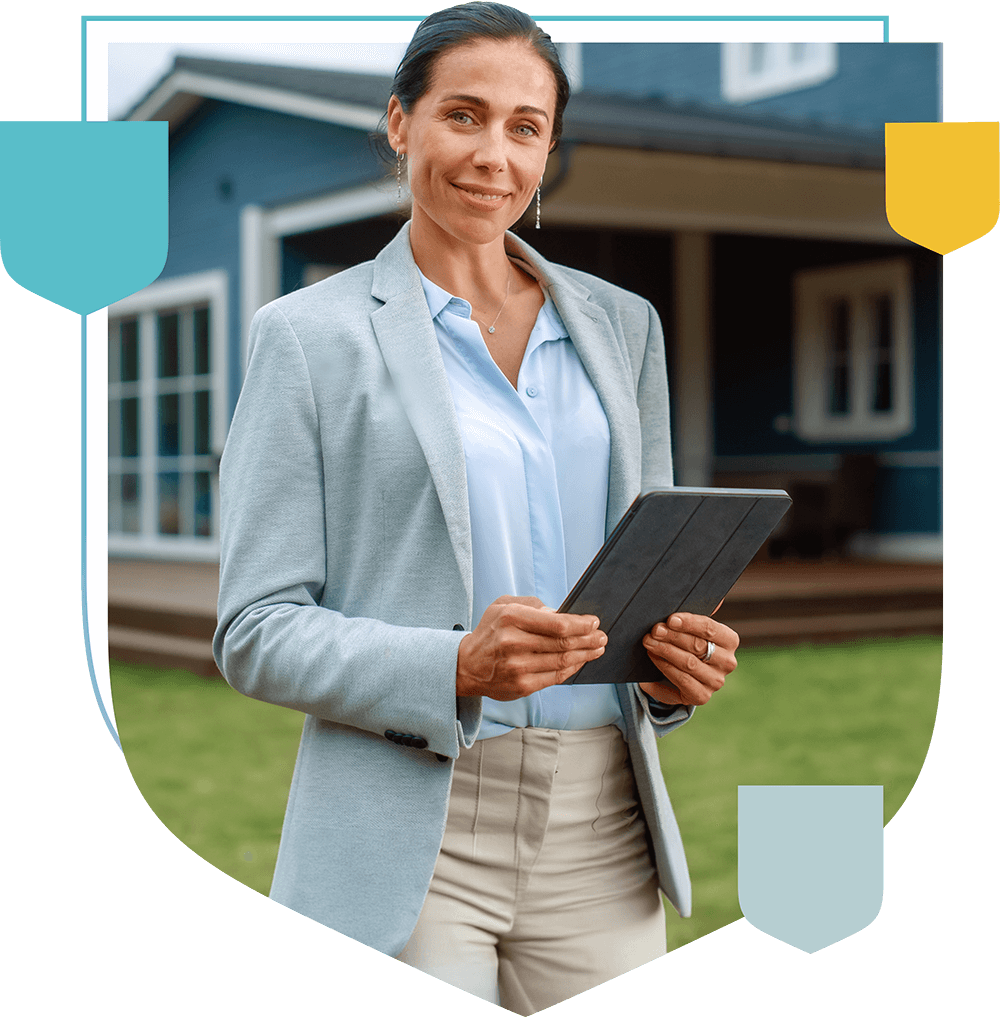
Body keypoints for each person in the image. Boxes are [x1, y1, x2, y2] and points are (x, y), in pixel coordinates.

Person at [213, 4, 739, 1012]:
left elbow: (653, 572)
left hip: (604, 826)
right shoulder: (306, 339)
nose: (492, 153)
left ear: (546, 149)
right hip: (409, 825)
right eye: (463, 115)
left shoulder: (624, 329)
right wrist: (451, 663)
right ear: (400, 123)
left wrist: (673, 671)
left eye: (524, 126)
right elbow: (254, 629)